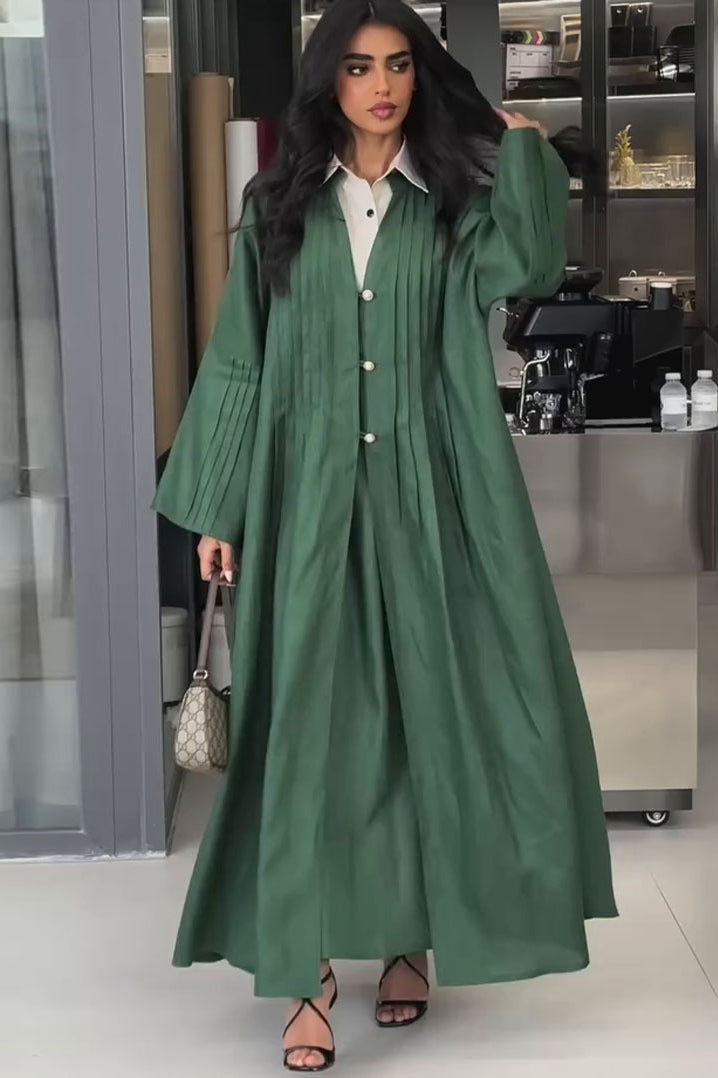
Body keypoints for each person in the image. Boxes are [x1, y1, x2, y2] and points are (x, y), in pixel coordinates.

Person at [153, 0, 619, 1071]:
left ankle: (411, 939)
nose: (381, 86)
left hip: (437, 495)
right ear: (330, 79)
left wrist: (526, 153)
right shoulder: (277, 203)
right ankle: (306, 970)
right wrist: (219, 508)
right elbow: (239, 358)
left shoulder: (454, 204)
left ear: (420, 76)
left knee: (427, 717)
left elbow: (529, 268)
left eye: (400, 65)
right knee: (305, 733)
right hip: (305, 502)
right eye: (360, 66)